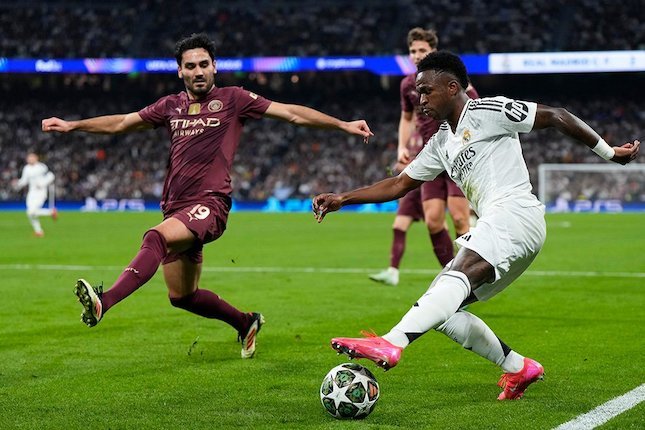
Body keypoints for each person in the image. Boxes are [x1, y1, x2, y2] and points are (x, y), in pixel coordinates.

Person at [313, 51, 639, 399]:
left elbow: (556, 116)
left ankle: (392, 342)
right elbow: (398, 184)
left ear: (453, 87)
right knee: (442, 311)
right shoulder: (440, 142)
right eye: (418, 93)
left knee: (452, 281)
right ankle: (518, 367)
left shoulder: (487, 111)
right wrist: (343, 199)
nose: (420, 99)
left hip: (515, 212)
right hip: (502, 225)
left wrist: (610, 153)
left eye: (427, 91)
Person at [42, 33, 373, 359]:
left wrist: (343, 125)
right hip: (175, 209)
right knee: (182, 296)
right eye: (190, 66)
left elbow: (291, 113)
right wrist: (73, 126)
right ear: (180, 71)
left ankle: (105, 301)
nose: (198, 71)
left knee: (154, 239)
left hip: (210, 204)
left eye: (204, 64)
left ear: (214, 67)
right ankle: (246, 323)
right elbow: (122, 124)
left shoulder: (234, 99)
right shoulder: (169, 106)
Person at [370, 28, 479, 286]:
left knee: (461, 219)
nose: (417, 55)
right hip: (429, 157)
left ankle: (470, 276)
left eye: (422, 50)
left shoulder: (451, 79)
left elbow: (474, 105)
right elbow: (406, 118)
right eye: (413, 51)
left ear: (433, 51)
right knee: (432, 221)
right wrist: (401, 147)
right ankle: (454, 278)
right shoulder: (407, 85)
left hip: (456, 156)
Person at [13, 152, 57, 237]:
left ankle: (50, 213)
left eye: (31, 158)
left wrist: (43, 183)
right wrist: (17, 184)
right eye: (28, 158)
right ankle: (39, 231)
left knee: (31, 211)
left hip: (40, 192)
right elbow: (24, 181)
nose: (29, 159)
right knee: (30, 213)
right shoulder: (26, 168)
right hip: (31, 192)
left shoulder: (42, 167)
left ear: (36, 158)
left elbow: (51, 176)